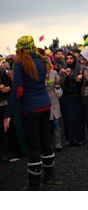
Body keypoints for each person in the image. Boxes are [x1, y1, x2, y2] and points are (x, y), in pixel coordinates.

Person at [3, 36, 56, 190]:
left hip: (30, 108)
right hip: (45, 105)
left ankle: (34, 185)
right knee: (45, 141)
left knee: (34, 146)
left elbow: (18, 90)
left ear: (20, 48)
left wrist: (8, 113)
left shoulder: (19, 63)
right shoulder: (41, 60)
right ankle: (50, 176)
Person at [59, 51, 85, 146]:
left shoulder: (79, 68)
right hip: (67, 96)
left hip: (77, 95)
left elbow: (81, 82)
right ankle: (70, 139)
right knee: (68, 118)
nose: (69, 60)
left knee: (78, 117)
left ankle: (79, 138)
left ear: (74, 59)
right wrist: (63, 75)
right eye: (67, 59)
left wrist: (79, 77)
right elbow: (60, 83)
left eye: (71, 58)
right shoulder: (63, 69)